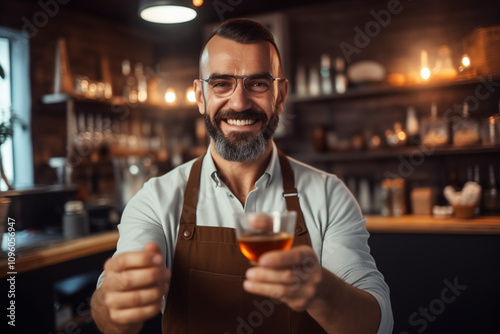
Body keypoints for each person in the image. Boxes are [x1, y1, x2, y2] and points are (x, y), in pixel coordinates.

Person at [91, 18, 393, 334]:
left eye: (258, 83)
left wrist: (321, 291)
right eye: (221, 83)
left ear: (280, 94)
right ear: (199, 95)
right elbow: (108, 316)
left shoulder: (329, 195)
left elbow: (377, 323)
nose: (239, 102)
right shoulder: (156, 199)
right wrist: (115, 301)